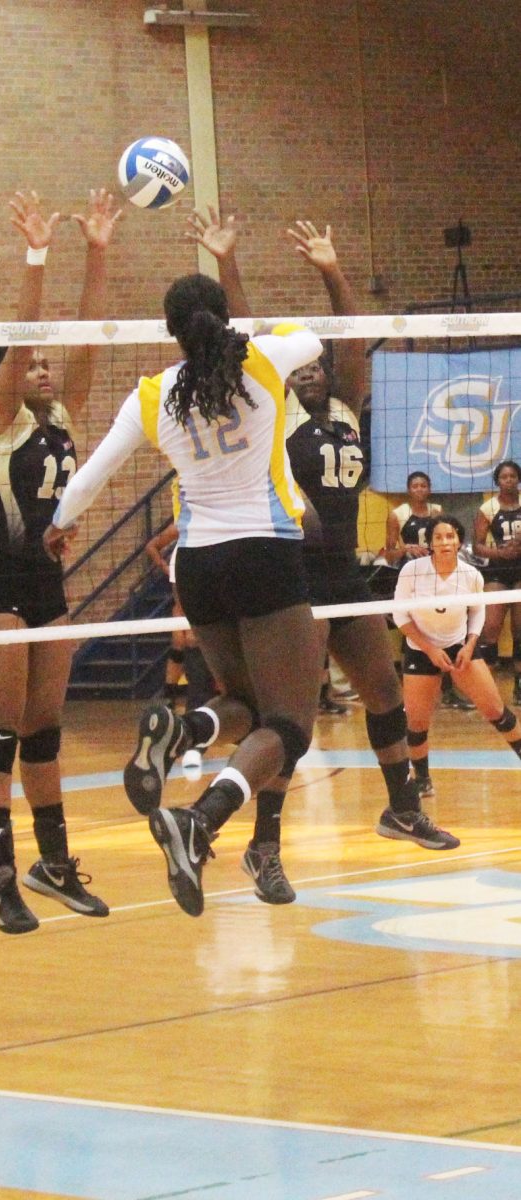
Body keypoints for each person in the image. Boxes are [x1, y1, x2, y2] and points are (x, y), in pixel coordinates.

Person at [44, 270, 325, 917]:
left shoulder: (152, 394)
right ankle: (199, 820)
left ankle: (183, 729)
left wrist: (57, 530)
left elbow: (86, 480)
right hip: (264, 554)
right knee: (288, 725)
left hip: (195, 566)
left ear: (170, 331)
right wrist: (251, 324)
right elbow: (308, 339)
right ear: (223, 318)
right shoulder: (261, 359)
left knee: (243, 706)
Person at [192, 211, 459, 871]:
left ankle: (400, 808)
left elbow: (351, 339)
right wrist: (226, 263)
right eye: (299, 366)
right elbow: (246, 339)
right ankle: (265, 843)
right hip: (292, 575)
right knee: (294, 717)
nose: (310, 371)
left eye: (316, 363)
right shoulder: (269, 412)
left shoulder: (345, 406)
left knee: (384, 692)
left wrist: (331, 269)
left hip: (343, 570)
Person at [0, 188, 120, 934]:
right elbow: (25, 336)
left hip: (45, 583)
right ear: (7, 375)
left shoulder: (60, 419)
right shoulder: (2, 421)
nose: (45, 369)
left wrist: (97, 249)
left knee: (45, 730)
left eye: (47, 366)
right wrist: (37, 253)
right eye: (32, 365)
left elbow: (84, 335)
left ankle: (52, 863)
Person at [392, 513, 521, 829]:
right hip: (422, 649)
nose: (444, 542)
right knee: (417, 721)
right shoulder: (412, 571)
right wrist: (430, 649)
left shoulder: (471, 574)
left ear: (459, 541)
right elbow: (400, 616)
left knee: (496, 711)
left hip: (460, 646)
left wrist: (469, 643)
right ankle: (422, 778)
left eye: (450, 537)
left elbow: (477, 611)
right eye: (438, 537)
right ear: (431, 543)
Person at [386, 472, 474, 712]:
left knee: (445, 629)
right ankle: (413, 694)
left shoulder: (437, 511)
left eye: (424, 485)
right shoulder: (398, 514)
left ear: (429, 488)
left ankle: (448, 690)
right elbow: (388, 553)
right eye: (414, 485)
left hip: (440, 576)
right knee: (414, 633)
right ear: (408, 489)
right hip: (412, 578)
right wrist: (407, 549)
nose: (419, 489)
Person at [145, 520, 218, 775]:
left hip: (211, 622)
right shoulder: (184, 538)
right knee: (184, 650)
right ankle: (175, 712)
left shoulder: (214, 539)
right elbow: (152, 547)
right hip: (193, 621)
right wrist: (163, 567)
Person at [473, 460, 521, 705]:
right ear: (498, 481)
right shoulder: (488, 508)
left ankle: (519, 685)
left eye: (513, 476)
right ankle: (487, 686)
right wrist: (501, 553)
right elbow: (477, 546)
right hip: (498, 570)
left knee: (520, 630)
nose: (509, 480)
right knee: (490, 628)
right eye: (504, 477)